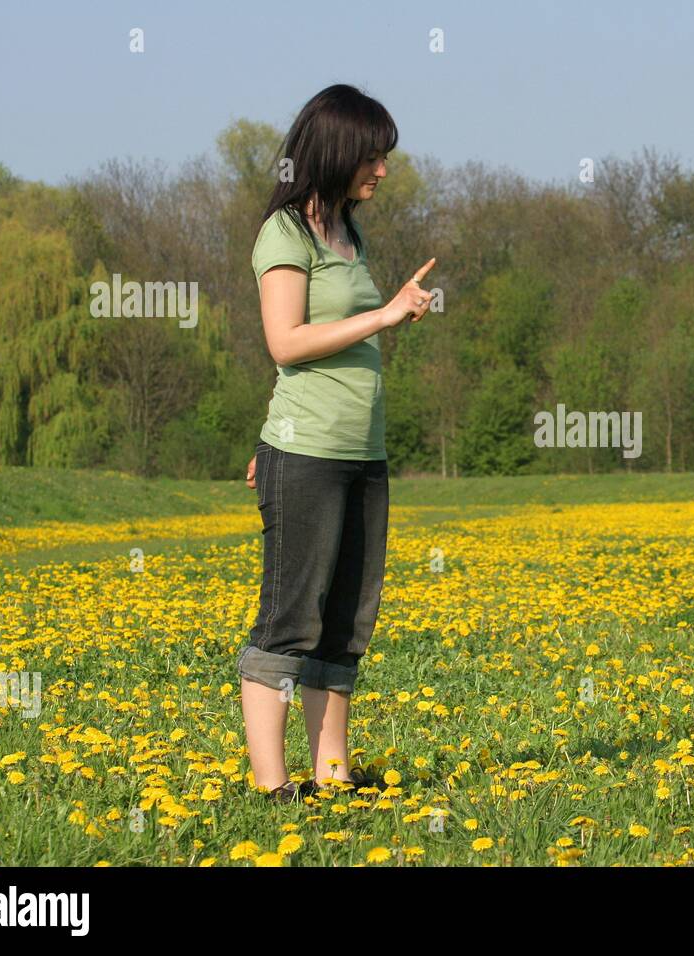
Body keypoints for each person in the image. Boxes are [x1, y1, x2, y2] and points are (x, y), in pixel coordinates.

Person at [237, 83, 436, 801]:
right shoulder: (284, 233)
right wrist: (383, 317)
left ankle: (332, 776)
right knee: (291, 618)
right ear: (337, 150)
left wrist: (392, 313)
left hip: (360, 454)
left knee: (346, 621)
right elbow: (285, 343)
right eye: (373, 156)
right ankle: (273, 788)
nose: (382, 170)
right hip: (309, 454)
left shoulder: (349, 234)